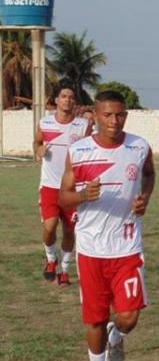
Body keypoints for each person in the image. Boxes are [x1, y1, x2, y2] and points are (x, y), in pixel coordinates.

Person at [59, 90, 155, 361]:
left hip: (127, 247)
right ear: (95, 116)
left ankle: (117, 338)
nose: (115, 121)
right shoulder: (80, 150)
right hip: (91, 250)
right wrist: (83, 196)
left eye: (120, 114)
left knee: (128, 317)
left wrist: (144, 198)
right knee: (95, 319)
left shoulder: (139, 146)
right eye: (108, 115)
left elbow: (149, 174)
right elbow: (63, 197)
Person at [33, 81, 91, 286]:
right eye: (64, 96)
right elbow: (37, 142)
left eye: (71, 97)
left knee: (69, 231)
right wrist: (39, 150)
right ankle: (51, 259)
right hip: (49, 186)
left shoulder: (83, 125)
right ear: (56, 100)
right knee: (49, 227)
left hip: (72, 188)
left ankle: (64, 270)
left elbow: (90, 150)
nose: (68, 99)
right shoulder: (45, 123)